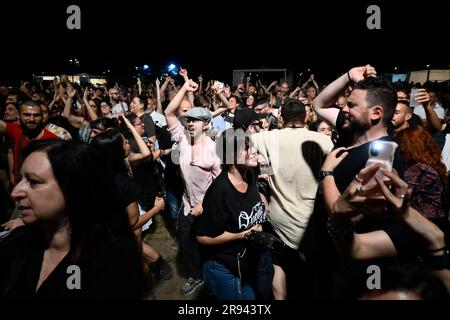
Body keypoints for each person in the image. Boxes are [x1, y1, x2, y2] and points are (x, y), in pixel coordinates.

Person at [0, 140, 145, 299]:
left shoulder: (112, 257)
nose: (15, 193)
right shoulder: (16, 243)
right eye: (21, 179)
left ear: (73, 187)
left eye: (34, 182)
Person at [250, 99, 334, 299]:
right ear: (305, 118)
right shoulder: (323, 140)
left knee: (280, 267)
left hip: (279, 219)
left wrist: (265, 169)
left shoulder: (265, 138)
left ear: (281, 117)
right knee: (308, 276)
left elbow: (228, 145)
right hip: (311, 220)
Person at [195, 129, 270, 300]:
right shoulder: (220, 190)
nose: (253, 151)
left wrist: (262, 200)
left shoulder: (249, 174)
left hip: (245, 262)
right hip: (224, 267)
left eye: (252, 146)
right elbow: (202, 237)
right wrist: (243, 234)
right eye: (246, 148)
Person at [164, 79, 221, 295]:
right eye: (188, 120)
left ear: (206, 125)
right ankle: (196, 275)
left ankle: (213, 274)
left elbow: (219, 184)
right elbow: (169, 112)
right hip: (187, 205)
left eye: (195, 121)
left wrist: (204, 204)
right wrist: (185, 88)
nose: (189, 123)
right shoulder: (182, 139)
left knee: (209, 244)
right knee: (186, 243)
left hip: (207, 207)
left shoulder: (214, 150)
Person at [397, 125, 448, 220]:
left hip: (425, 220)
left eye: (400, 143)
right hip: (436, 217)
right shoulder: (430, 164)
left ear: (408, 146)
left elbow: (402, 193)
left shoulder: (418, 168)